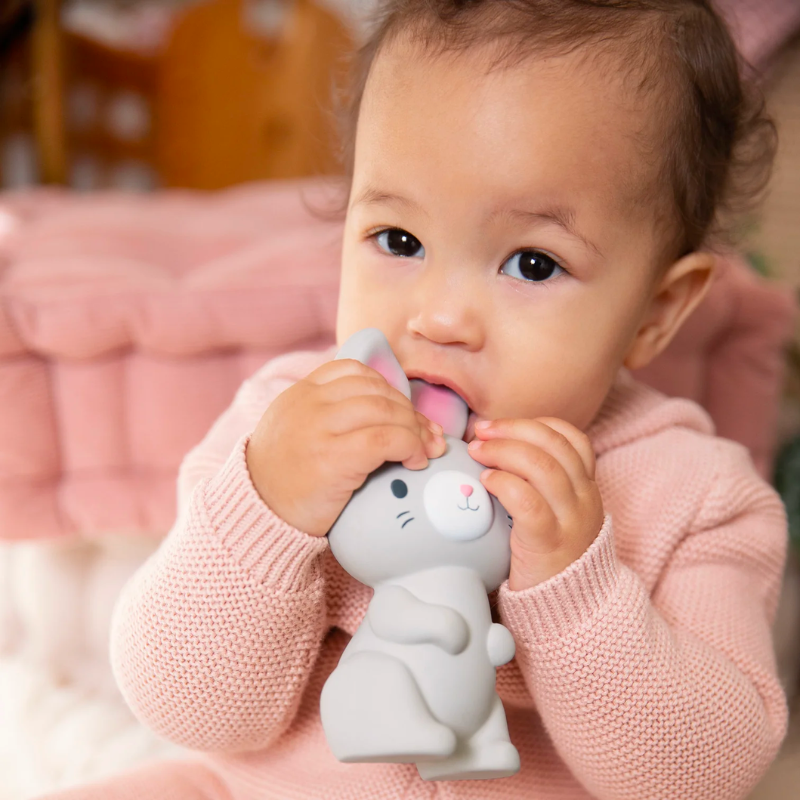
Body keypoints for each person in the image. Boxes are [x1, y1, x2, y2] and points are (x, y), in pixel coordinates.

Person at [40, 1, 788, 798]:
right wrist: (267, 510)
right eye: (399, 242)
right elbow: (186, 705)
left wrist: (579, 592)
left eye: (533, 264)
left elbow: (701, 777)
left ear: (656, 311)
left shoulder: (699, 497)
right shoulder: (288, 426)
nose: (439, 319)